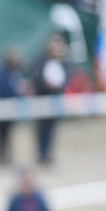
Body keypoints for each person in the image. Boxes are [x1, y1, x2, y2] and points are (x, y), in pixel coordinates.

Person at [29, 33, 69, 167]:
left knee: (51, 129)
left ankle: (47, 154)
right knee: (41, 128)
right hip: (42, 100)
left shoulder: (63, 62)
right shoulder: (41, 61)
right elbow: (35, 77)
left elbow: (66, 77)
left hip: (55, 100)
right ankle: (41, 154)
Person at [0, 47, 30, 166]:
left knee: (9, 134)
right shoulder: (2, 72)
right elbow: (4, 90)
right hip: (2, 108)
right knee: (0, 135)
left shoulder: (16, 72)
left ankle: (6, 156)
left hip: (12, 109)